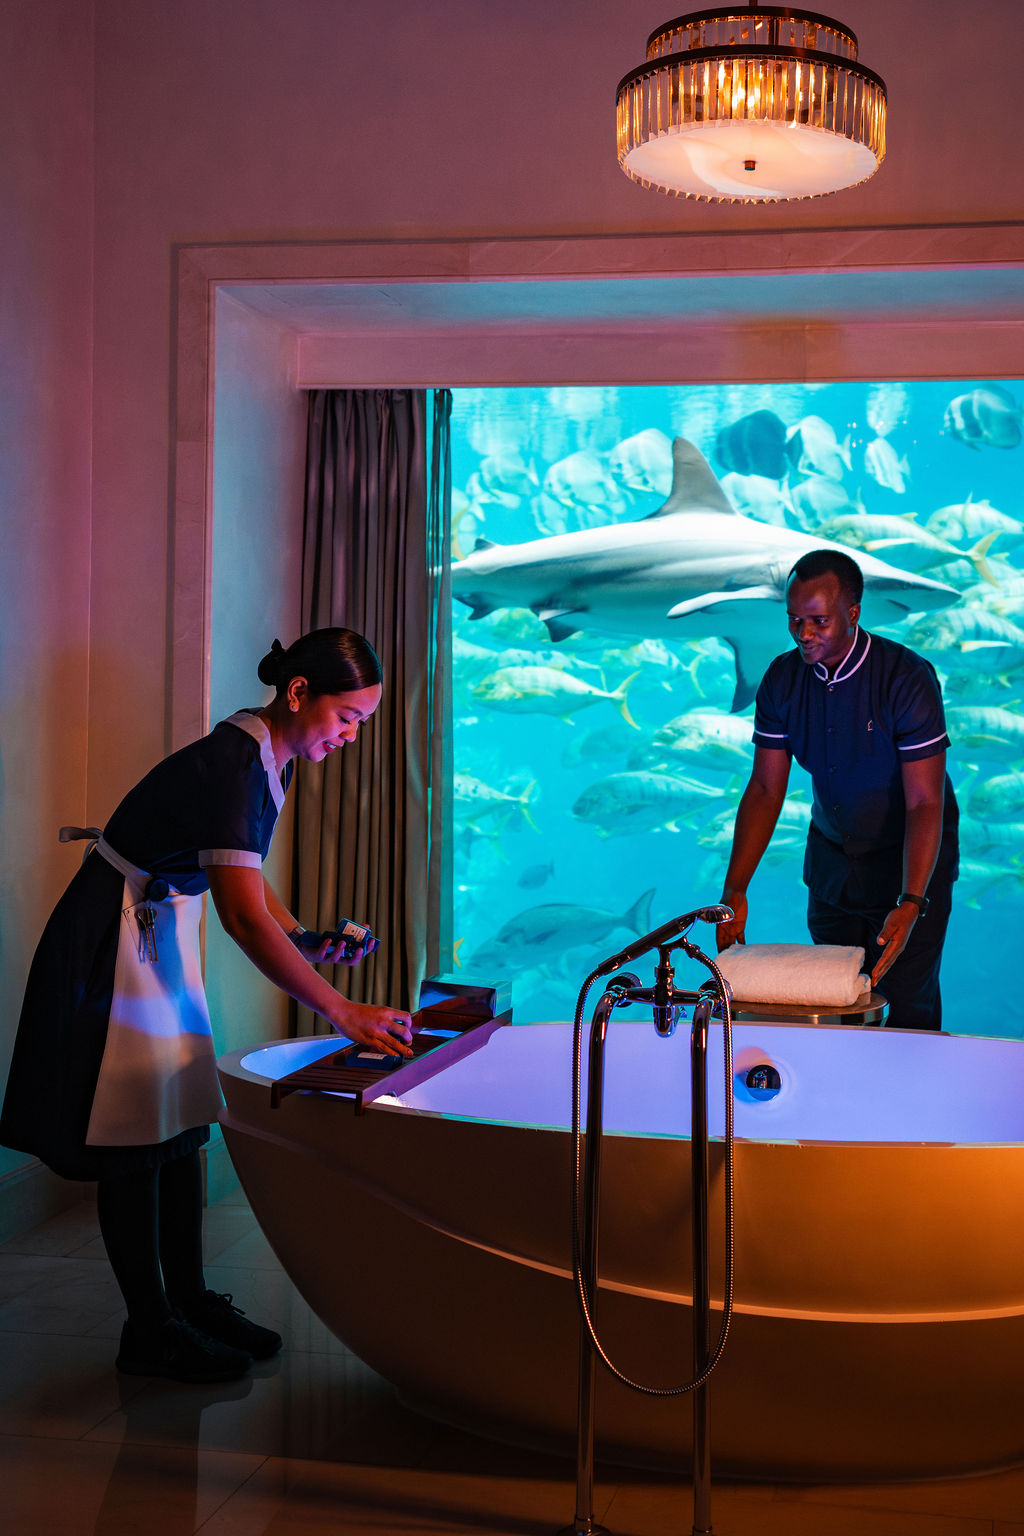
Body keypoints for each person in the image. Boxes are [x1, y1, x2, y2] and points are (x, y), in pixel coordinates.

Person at [0, 627, 413, 1382]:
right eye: (348, 718)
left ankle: (188, 1302)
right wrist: (342, 1011)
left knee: (183, 1119)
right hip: (112, 935)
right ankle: (150, 1328)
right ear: (299, 693)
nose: (352, 736)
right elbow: (243, 919)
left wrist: (306, 939)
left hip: (154, 928)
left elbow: (246, 880)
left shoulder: (265, 757)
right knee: (133, 1130)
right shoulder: (235, 764)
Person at [716, 549, 959, 1030]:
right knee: (833, 1000)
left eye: (819, 621)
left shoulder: (906, 678)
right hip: (833, 865)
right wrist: (735, 890)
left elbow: (925, 801)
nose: (803, 633)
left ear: (853, 613)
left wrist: (912, 901)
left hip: (909, 862)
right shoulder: (782, 679)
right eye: (794, 619)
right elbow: (764, 789)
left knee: (907, 1006)